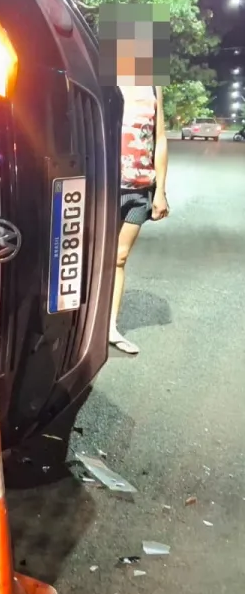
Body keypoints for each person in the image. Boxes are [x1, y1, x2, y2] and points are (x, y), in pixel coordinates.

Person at [109, 35, 169, 355]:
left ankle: (110, 327)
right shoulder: (106, 80)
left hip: (138, 186)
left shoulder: (152, 85)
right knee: (92, 257)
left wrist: (160, 189)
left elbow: (160, 138)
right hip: (104, 185)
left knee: (118, 257)